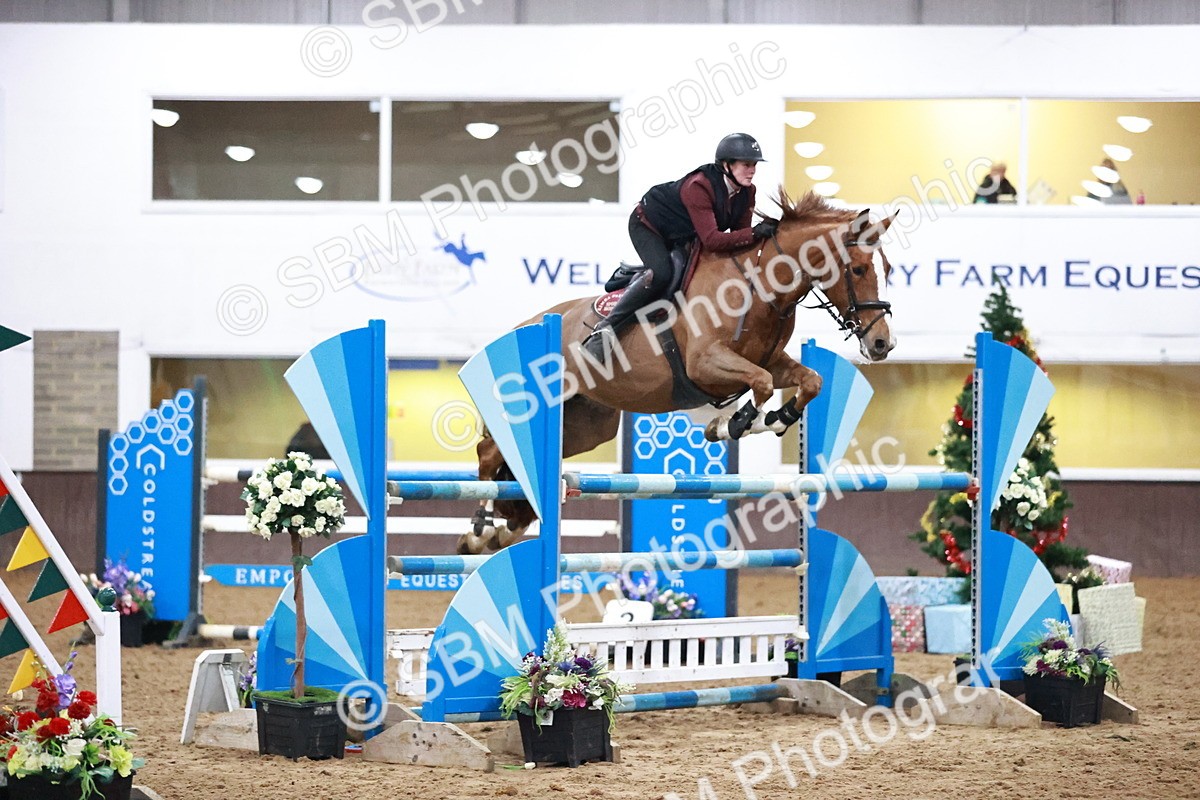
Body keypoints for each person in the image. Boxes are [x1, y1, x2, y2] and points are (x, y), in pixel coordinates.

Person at [580, 132, 778, 360]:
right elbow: (712, 240)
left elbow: (739, 238)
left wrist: (761, 237)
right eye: (746, 165)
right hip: (649, 224)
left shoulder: (747, 192)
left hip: (684, 233)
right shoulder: (699, 186)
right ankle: (605, 329)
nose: (752, 170)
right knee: (663, 273)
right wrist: (754, 233)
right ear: (726, 165)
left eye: (754, 165)